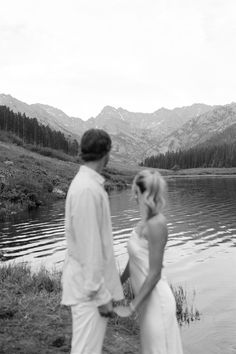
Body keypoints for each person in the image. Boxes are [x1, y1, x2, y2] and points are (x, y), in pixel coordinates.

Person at [61, 129, 124, 354]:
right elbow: (89, 249)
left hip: (87, 289)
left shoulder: (88, 184)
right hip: (89, 293)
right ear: (107, 152)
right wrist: (101, 296)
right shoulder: (87, 189)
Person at [118, 169, 183, 354]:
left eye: (135, 192)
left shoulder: (157, 224)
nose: (133, 197)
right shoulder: (141, 223)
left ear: (143, 193)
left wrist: (131, 307)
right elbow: (134, 262)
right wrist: (117, 283)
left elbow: (154, 274)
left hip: (157, 302)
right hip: (146, 303)